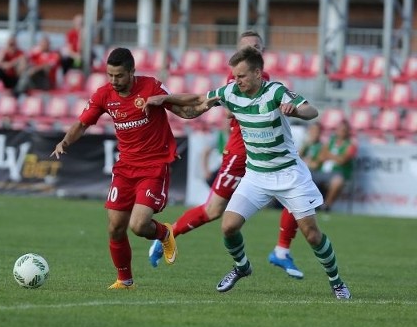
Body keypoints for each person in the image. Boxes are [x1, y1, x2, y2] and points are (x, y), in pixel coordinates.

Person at [146, 46, 351, 299]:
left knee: (311, 233)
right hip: (256, 175)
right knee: (228, 226)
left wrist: (295, 110)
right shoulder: (230, 92)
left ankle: (337, 281)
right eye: (234, 75)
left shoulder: (275, 91)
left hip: (289, 175)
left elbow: (312, 111)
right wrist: (166, 100)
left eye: (241, 75)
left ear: (257, 73)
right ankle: (242, 267)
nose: (236, 80)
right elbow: (198, 101)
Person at [50, 47, 212, 290]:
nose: (114, 81)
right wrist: (64, 141)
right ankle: (125, 280)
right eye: (110, 75)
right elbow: (82, 124)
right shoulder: (104, 94)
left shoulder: (151, 87)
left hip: (154, 166)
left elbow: (184, 111)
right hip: (125, 167)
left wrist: (202, 104)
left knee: (138, 225)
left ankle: (164, 233)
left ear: (132, 72)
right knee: (115, 227)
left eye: (119, 76)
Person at [148, 31, 304, 280]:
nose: (254, 49)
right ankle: (168, 234)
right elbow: (227, 111)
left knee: (298, 193)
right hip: (241, 152)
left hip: (267, 152)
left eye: (258, 46)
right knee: (213, 210)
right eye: (248, 47)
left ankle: (282, 250)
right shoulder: (236, 80)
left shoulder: (265, 79)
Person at [314, 120, 357, 212]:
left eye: (344, 130)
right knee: (306, 177)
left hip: (338, 172)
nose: (341, 132)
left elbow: (343, 160)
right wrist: (335, 157)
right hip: (322, 171)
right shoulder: (330, 142)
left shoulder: (351, 145)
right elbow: (320, 157)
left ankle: (326, 206)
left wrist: (328, 155)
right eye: (340, 129)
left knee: (337, 181)